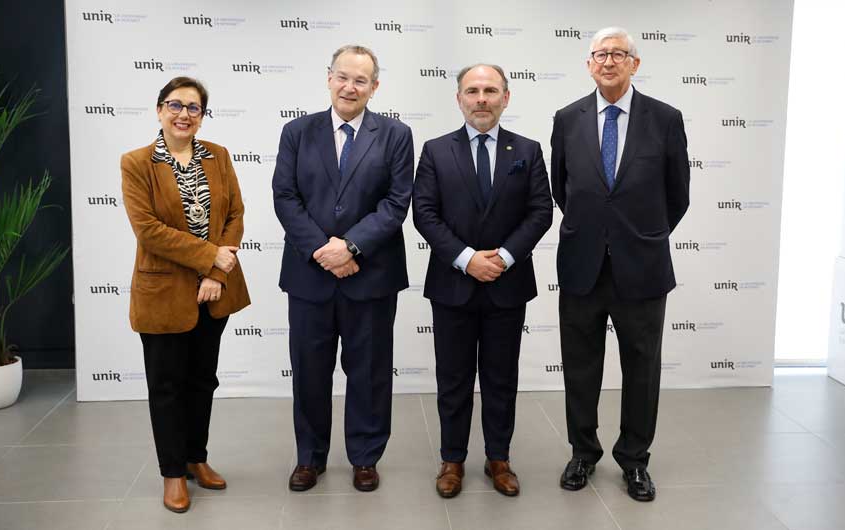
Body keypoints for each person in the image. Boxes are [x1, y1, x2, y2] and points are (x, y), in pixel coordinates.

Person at [551, 27, 690, 502]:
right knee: (580, 367)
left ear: (635, 63)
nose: (608, 62)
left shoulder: (665, 119)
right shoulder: (567, 119)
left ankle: (634, 460)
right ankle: (583, 453)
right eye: (600, 55)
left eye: (618, 54)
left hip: (643, 266)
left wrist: (641, 234)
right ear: (589, 64)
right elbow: (561, 188)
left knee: (642, 369)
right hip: (582, 266)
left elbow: (678, 195)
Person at [272, 45, 414, 493]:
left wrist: (351, 246)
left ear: (375, 87)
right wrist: (323, 250)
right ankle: (309, 458)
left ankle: (365, 457)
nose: (350, 87)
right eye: (342, 77)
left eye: (361, 80)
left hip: (370, 275)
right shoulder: (297, 131)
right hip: (309, 275)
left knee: (369, 372)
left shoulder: (395, 134)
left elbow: (396, 203)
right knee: (310, 370)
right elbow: (285, 197)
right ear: (328, 78)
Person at [413, 64, 552, 498]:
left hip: (507, 286)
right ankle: (452, 460)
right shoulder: (436, 150)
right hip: (453, 285)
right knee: (453, 379)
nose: (481, 99)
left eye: (490, 90)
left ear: (506, 98)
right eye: (472, 91)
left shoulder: (527, 150)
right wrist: (467, 258)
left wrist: (505, 258)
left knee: (500, 377)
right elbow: (425, 213)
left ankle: (499, 459)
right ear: (458, 99)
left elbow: (540, 212)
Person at [121, 77, 251, 513]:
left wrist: (216, 270)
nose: (184, 114)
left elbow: (235, 212)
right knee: (167, 386)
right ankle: (172, 473)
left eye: (194, 108)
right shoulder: (137, 163)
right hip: (163, 293)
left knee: (202, 381)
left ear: (202, 115)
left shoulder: (218, 156)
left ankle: (197, 458)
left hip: (216, 290)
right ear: (159, 110)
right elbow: (150, 232)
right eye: (175, 105)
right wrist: (209, 256)